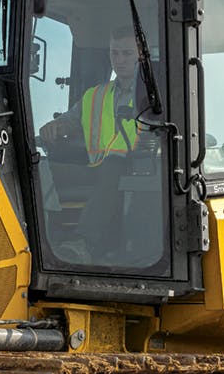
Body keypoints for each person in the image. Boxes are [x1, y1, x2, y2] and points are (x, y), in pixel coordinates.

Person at [37, 25, 159, 266]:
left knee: (113, 166)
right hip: (95, 168)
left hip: (138, 170)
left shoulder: (155, 96)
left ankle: (84, 244)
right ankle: (44, 239)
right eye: (115, 53)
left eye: (126, 54)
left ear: (140, 56)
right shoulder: (95, 95)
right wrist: (54, 127)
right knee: (38, 168)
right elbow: (70, 121)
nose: (119, 60)